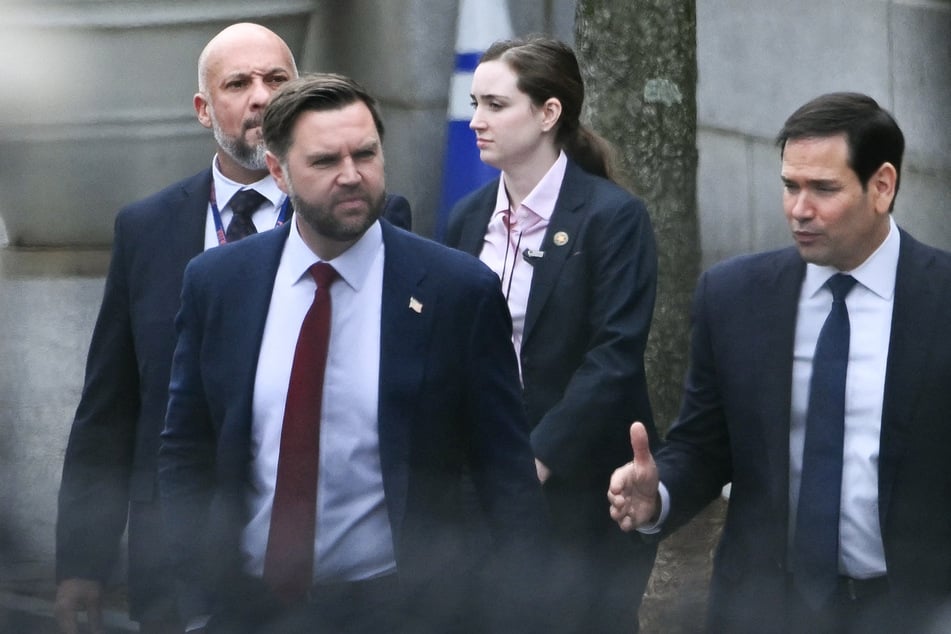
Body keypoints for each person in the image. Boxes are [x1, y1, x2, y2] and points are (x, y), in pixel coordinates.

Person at [157, 73, 549, 634]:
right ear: (277, 171)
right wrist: (197, 597)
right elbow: (186, 449)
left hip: (400, 608)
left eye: (365, 154)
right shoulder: (219, 283)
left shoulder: (455, 292)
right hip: (247, 608)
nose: (351, 176)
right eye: (323, 161)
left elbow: (505, 472)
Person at [53, 23, 412, 634]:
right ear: (202, 109)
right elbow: (110, 405)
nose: (261, 97)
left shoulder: (367, 217)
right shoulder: (148, 228)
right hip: (177, 564)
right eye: (238, 83)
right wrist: (81, 562)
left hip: (329, 564)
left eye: (277, 80)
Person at [608, 92, 951, 633]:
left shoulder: (941, 298)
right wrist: (659, 494)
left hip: (913, 610)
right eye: (790, 185)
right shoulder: (734, 295)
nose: (799, 209)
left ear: (882, 186)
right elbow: (704, 443)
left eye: (823, 188)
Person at [443, 36, 659, 633]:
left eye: (495, 105)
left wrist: (537, 457)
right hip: (480, 489)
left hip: (578, 491)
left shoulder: (613, 218)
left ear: (548, 113)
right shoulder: (466, 218)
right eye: (474, 103)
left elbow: (614, 356)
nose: (476, 121)